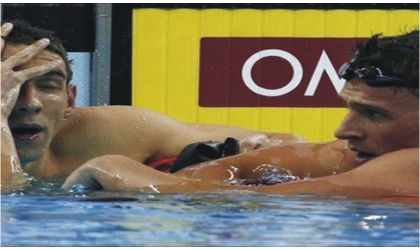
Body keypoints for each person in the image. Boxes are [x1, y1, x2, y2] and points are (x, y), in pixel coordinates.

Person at [62, 29, 419, 203]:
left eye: (374, 114)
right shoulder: (366, 157)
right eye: (350, 109)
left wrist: (113, 168)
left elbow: (262, 202)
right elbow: (221, 176)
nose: (344, 131)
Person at [1, 20, 305, 191]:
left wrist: (244, 158)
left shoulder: (106, 134)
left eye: (48, 85)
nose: (28, 104)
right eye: (8, 86)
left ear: (70, 100)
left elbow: (289, 143)